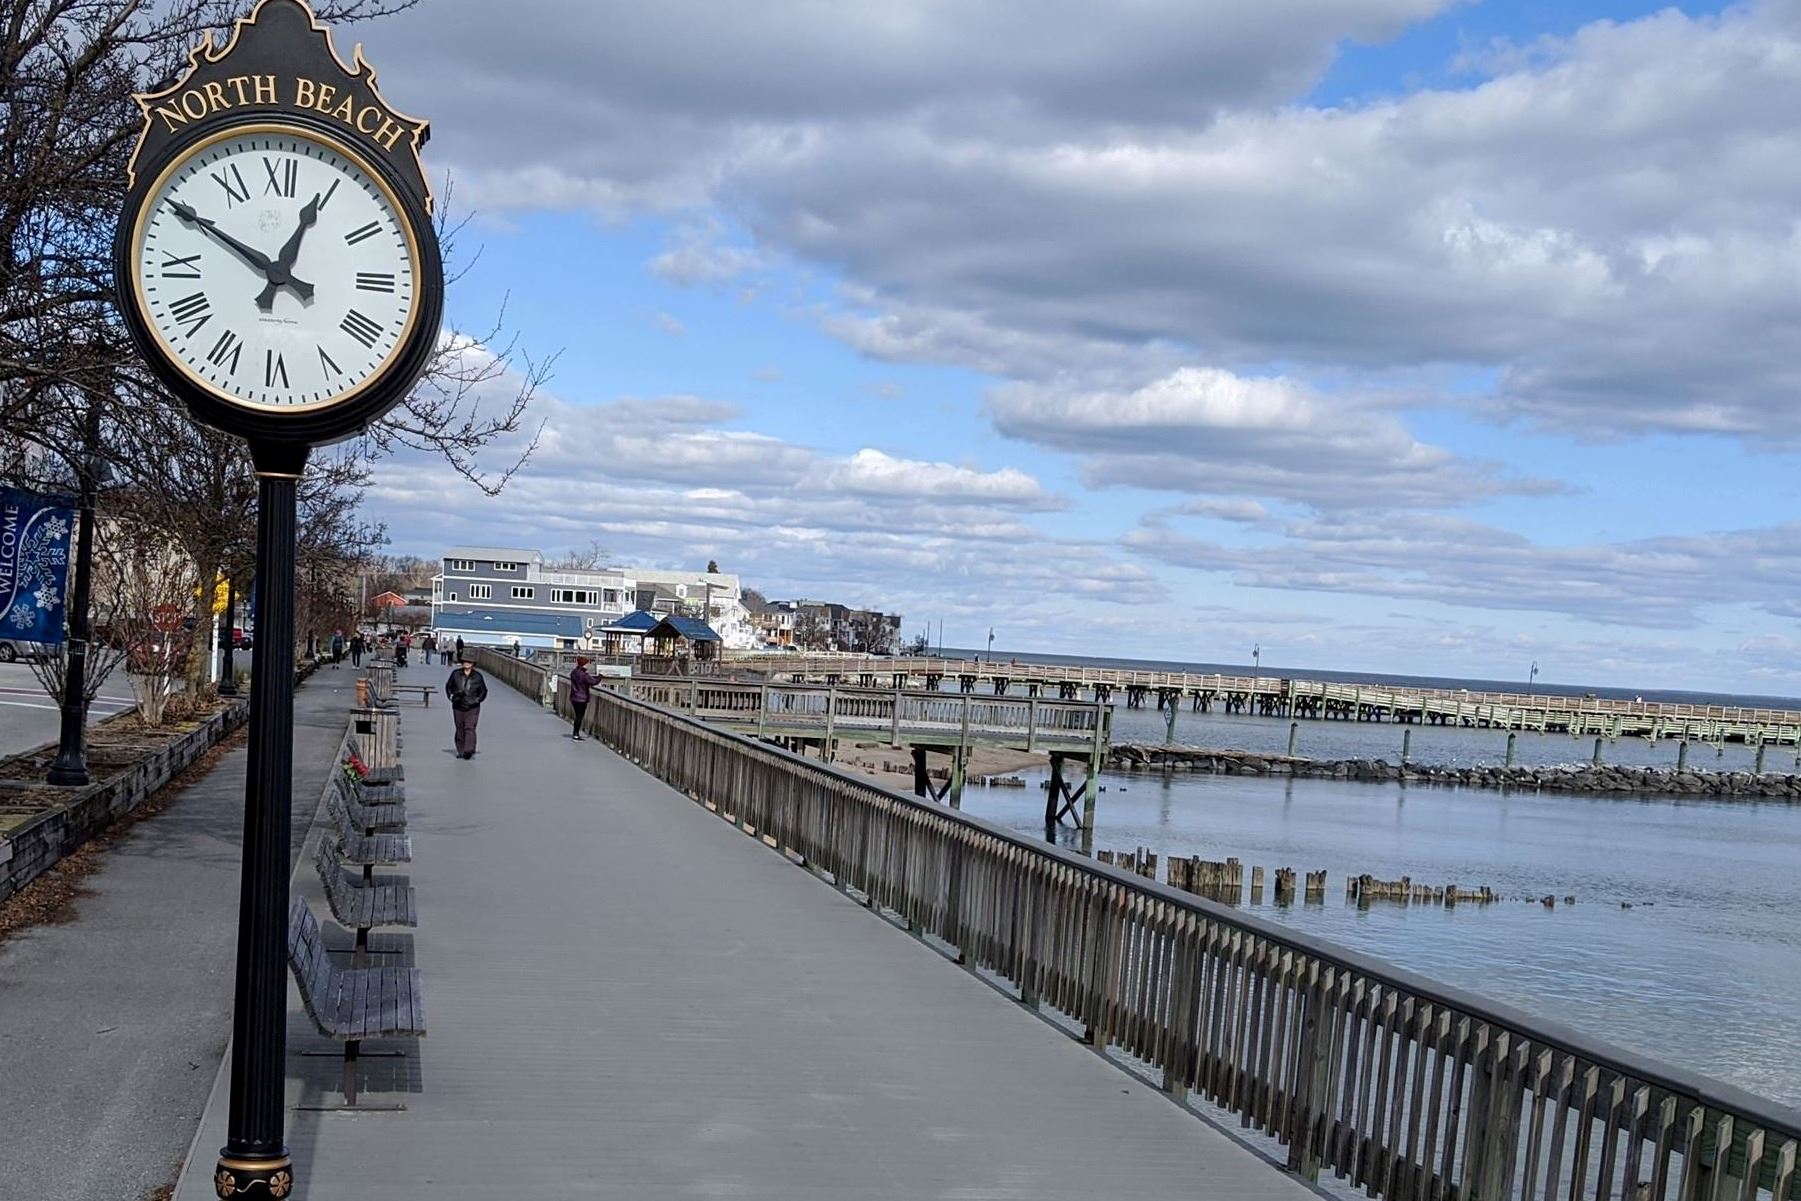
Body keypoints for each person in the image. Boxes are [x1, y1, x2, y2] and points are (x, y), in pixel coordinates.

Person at [445, 653, 488, 759]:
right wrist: (451, 696)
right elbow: (448, 686)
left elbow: (483, 691)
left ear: (473, 664)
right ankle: (460, 750)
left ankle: (468, 750)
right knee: (459, 728)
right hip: (458, 704)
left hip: (472, 706)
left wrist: (477, 700)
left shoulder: (478, 676)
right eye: (465, 661)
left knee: (469, 727)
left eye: (469, 662)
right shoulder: (455, 674)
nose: (466, 663)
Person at [568, 656, 596, 740]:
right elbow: (593, 682)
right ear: (584, 664)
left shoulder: (574, 672)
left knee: (577, 715)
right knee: (579, 716)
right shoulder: (584, 675)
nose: (588, 665)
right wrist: (600, 677)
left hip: (574, 697)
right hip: (582, 698)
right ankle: (576, 733)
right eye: (587, 664)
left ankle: (575, 732)